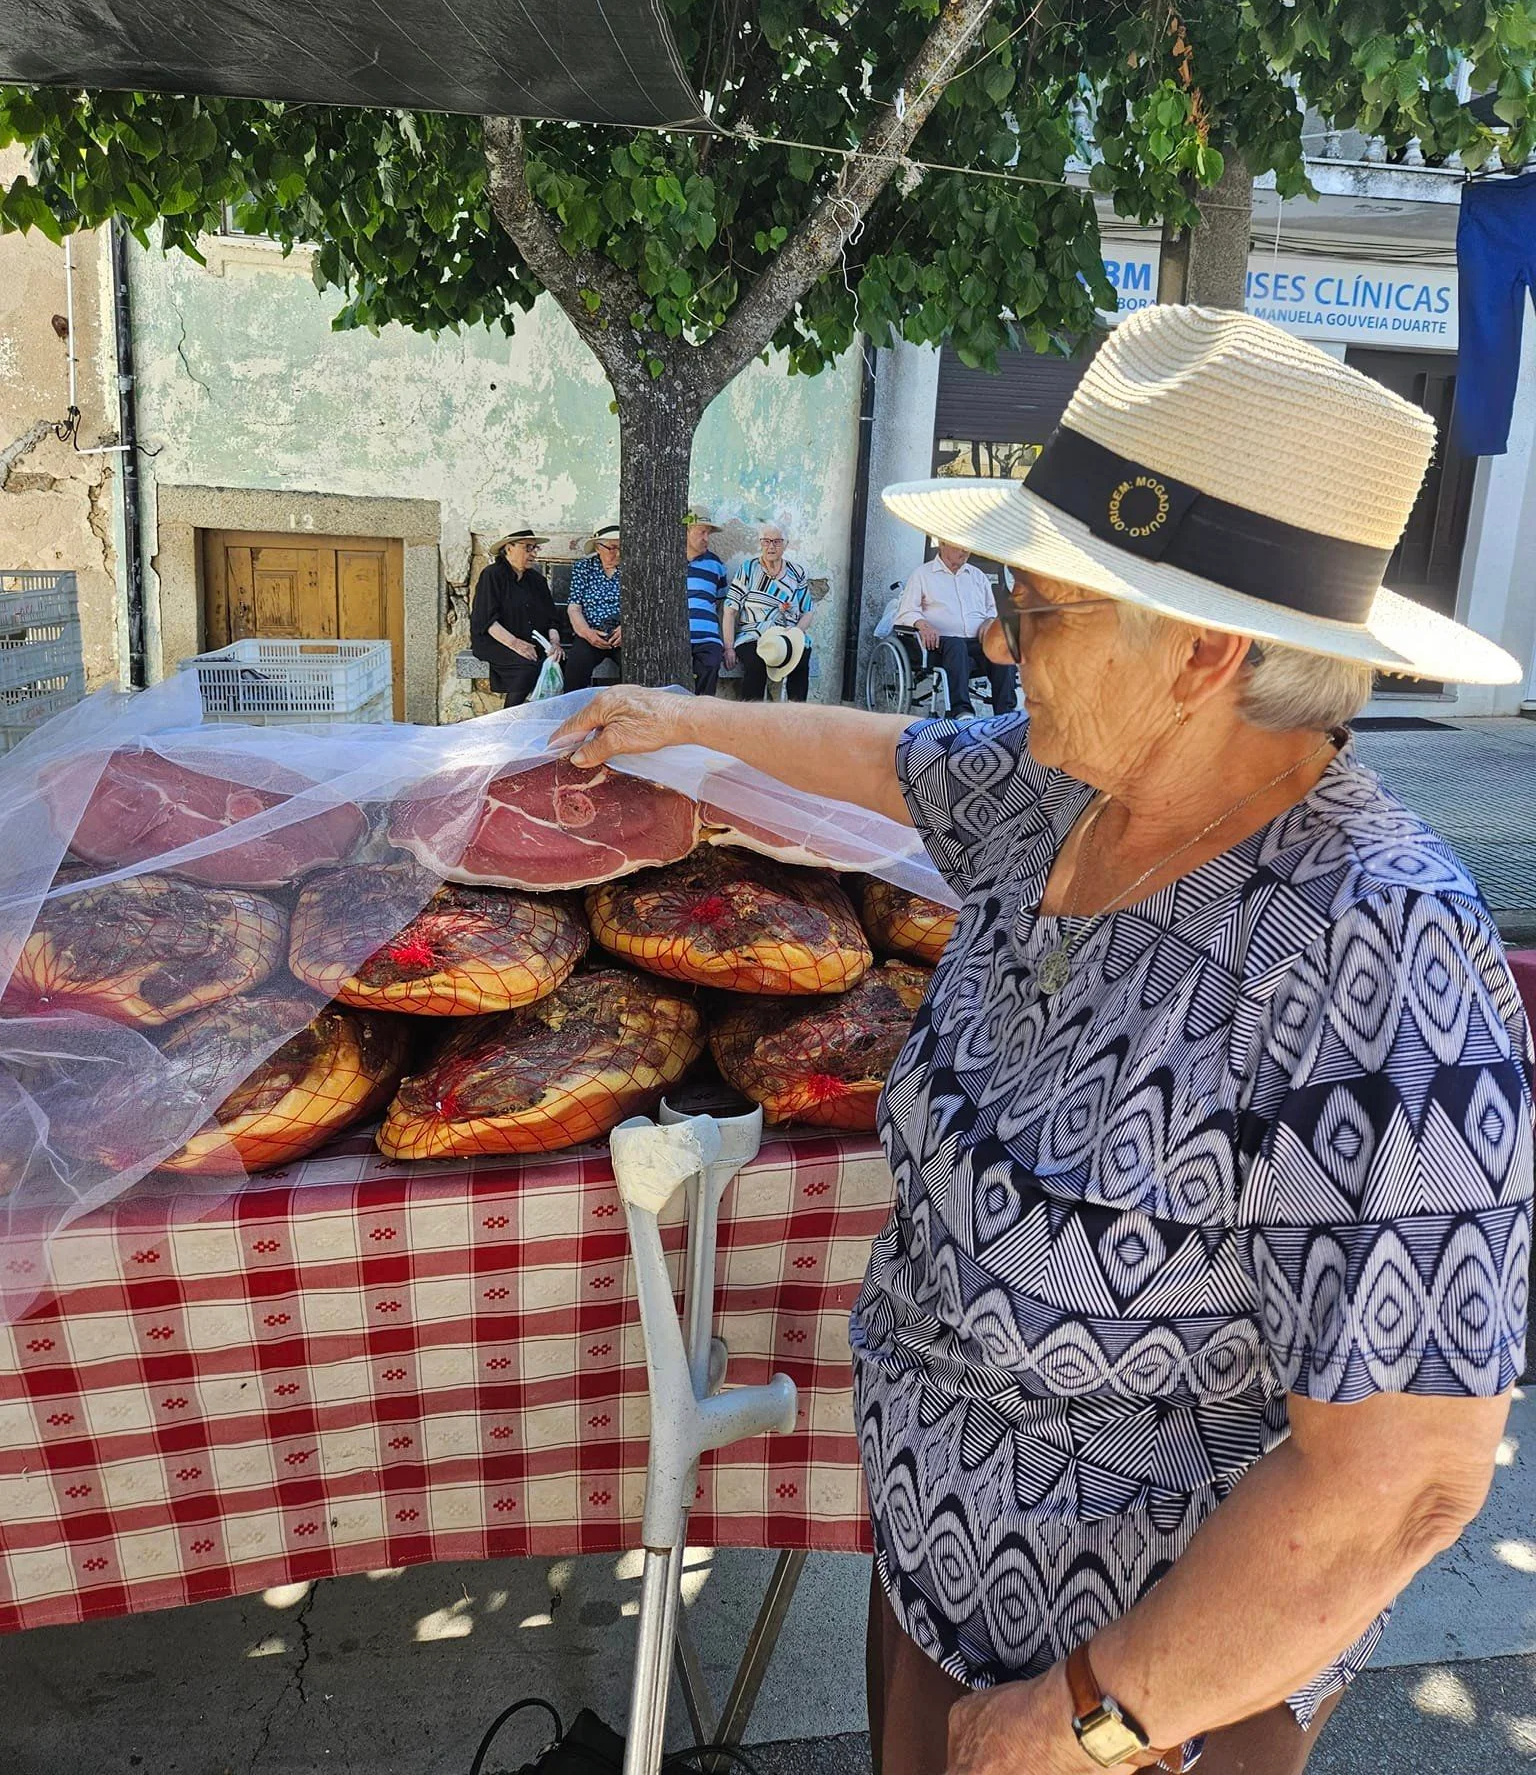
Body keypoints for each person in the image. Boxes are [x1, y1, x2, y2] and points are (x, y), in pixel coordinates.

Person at [552, 307, 1532, 1775]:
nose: (1000, 637)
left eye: (1040, 606)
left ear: (1204, 650)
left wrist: (1097, 1708)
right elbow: (887, 761)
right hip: (941, 1593)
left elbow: (1406, 1479)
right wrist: (666, 717)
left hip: (1146, 1707)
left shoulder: (1369, 948)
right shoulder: (1070, 794)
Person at [895, 538, 1018, 717]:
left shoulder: (977, 576)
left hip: (976, 642)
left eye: (968, 547)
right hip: (939, 644)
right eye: (960, 546)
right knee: (956, 645)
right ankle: (961, 712)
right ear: (943, 544)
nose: (965, 551)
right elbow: (906, 612)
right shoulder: (923, 574)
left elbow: (990, 611)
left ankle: (1006, 714)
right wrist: (922, 625)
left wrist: (988, 623)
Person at [467, 528, 561, 707]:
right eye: (528, 548)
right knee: (526, 668)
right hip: (497, 641)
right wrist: (515, 644)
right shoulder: (492, 575)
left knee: (560, 661)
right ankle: (509, 718)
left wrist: (555, 644)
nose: (533, 553)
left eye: (535, 548)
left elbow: (552, 618)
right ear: (509, 548)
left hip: (532, 641)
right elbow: (487, 620)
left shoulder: (536, 581)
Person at [724, 523, 815, 702]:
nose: (771, 546)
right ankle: (751, 718)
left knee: (801, 657)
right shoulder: (749, 569)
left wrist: (795, 634)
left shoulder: (797, 572)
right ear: (760, 543)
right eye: (766, 541)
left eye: (777, 541)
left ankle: (796, 715)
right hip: (752, 634)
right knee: (756, 664)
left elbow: (808, 611)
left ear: (786, 544)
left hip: (786, 636)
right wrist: (728, 648)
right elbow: (730, 610)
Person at [563, 524, 623, 690]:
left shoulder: (632, 568)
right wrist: (587, 633)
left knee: (637, 666)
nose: (617, 553)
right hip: (591, 632)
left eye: (621, 547)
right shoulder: (584, 568)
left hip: (622, 633)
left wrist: (628, 628)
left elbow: (640, 606)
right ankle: (576, 713)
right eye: (611, 548)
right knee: (576, 666)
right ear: (598, 547)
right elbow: (574, 607)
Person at [686, 511, 729, 696]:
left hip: (707, 639)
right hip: (676, 637)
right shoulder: (666, 561)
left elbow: (721, 603)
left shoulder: (716, 564)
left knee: (711, 664)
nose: (706, 539)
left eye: (708, 534)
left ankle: (702, 721)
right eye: (701, 532)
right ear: (685, 532)